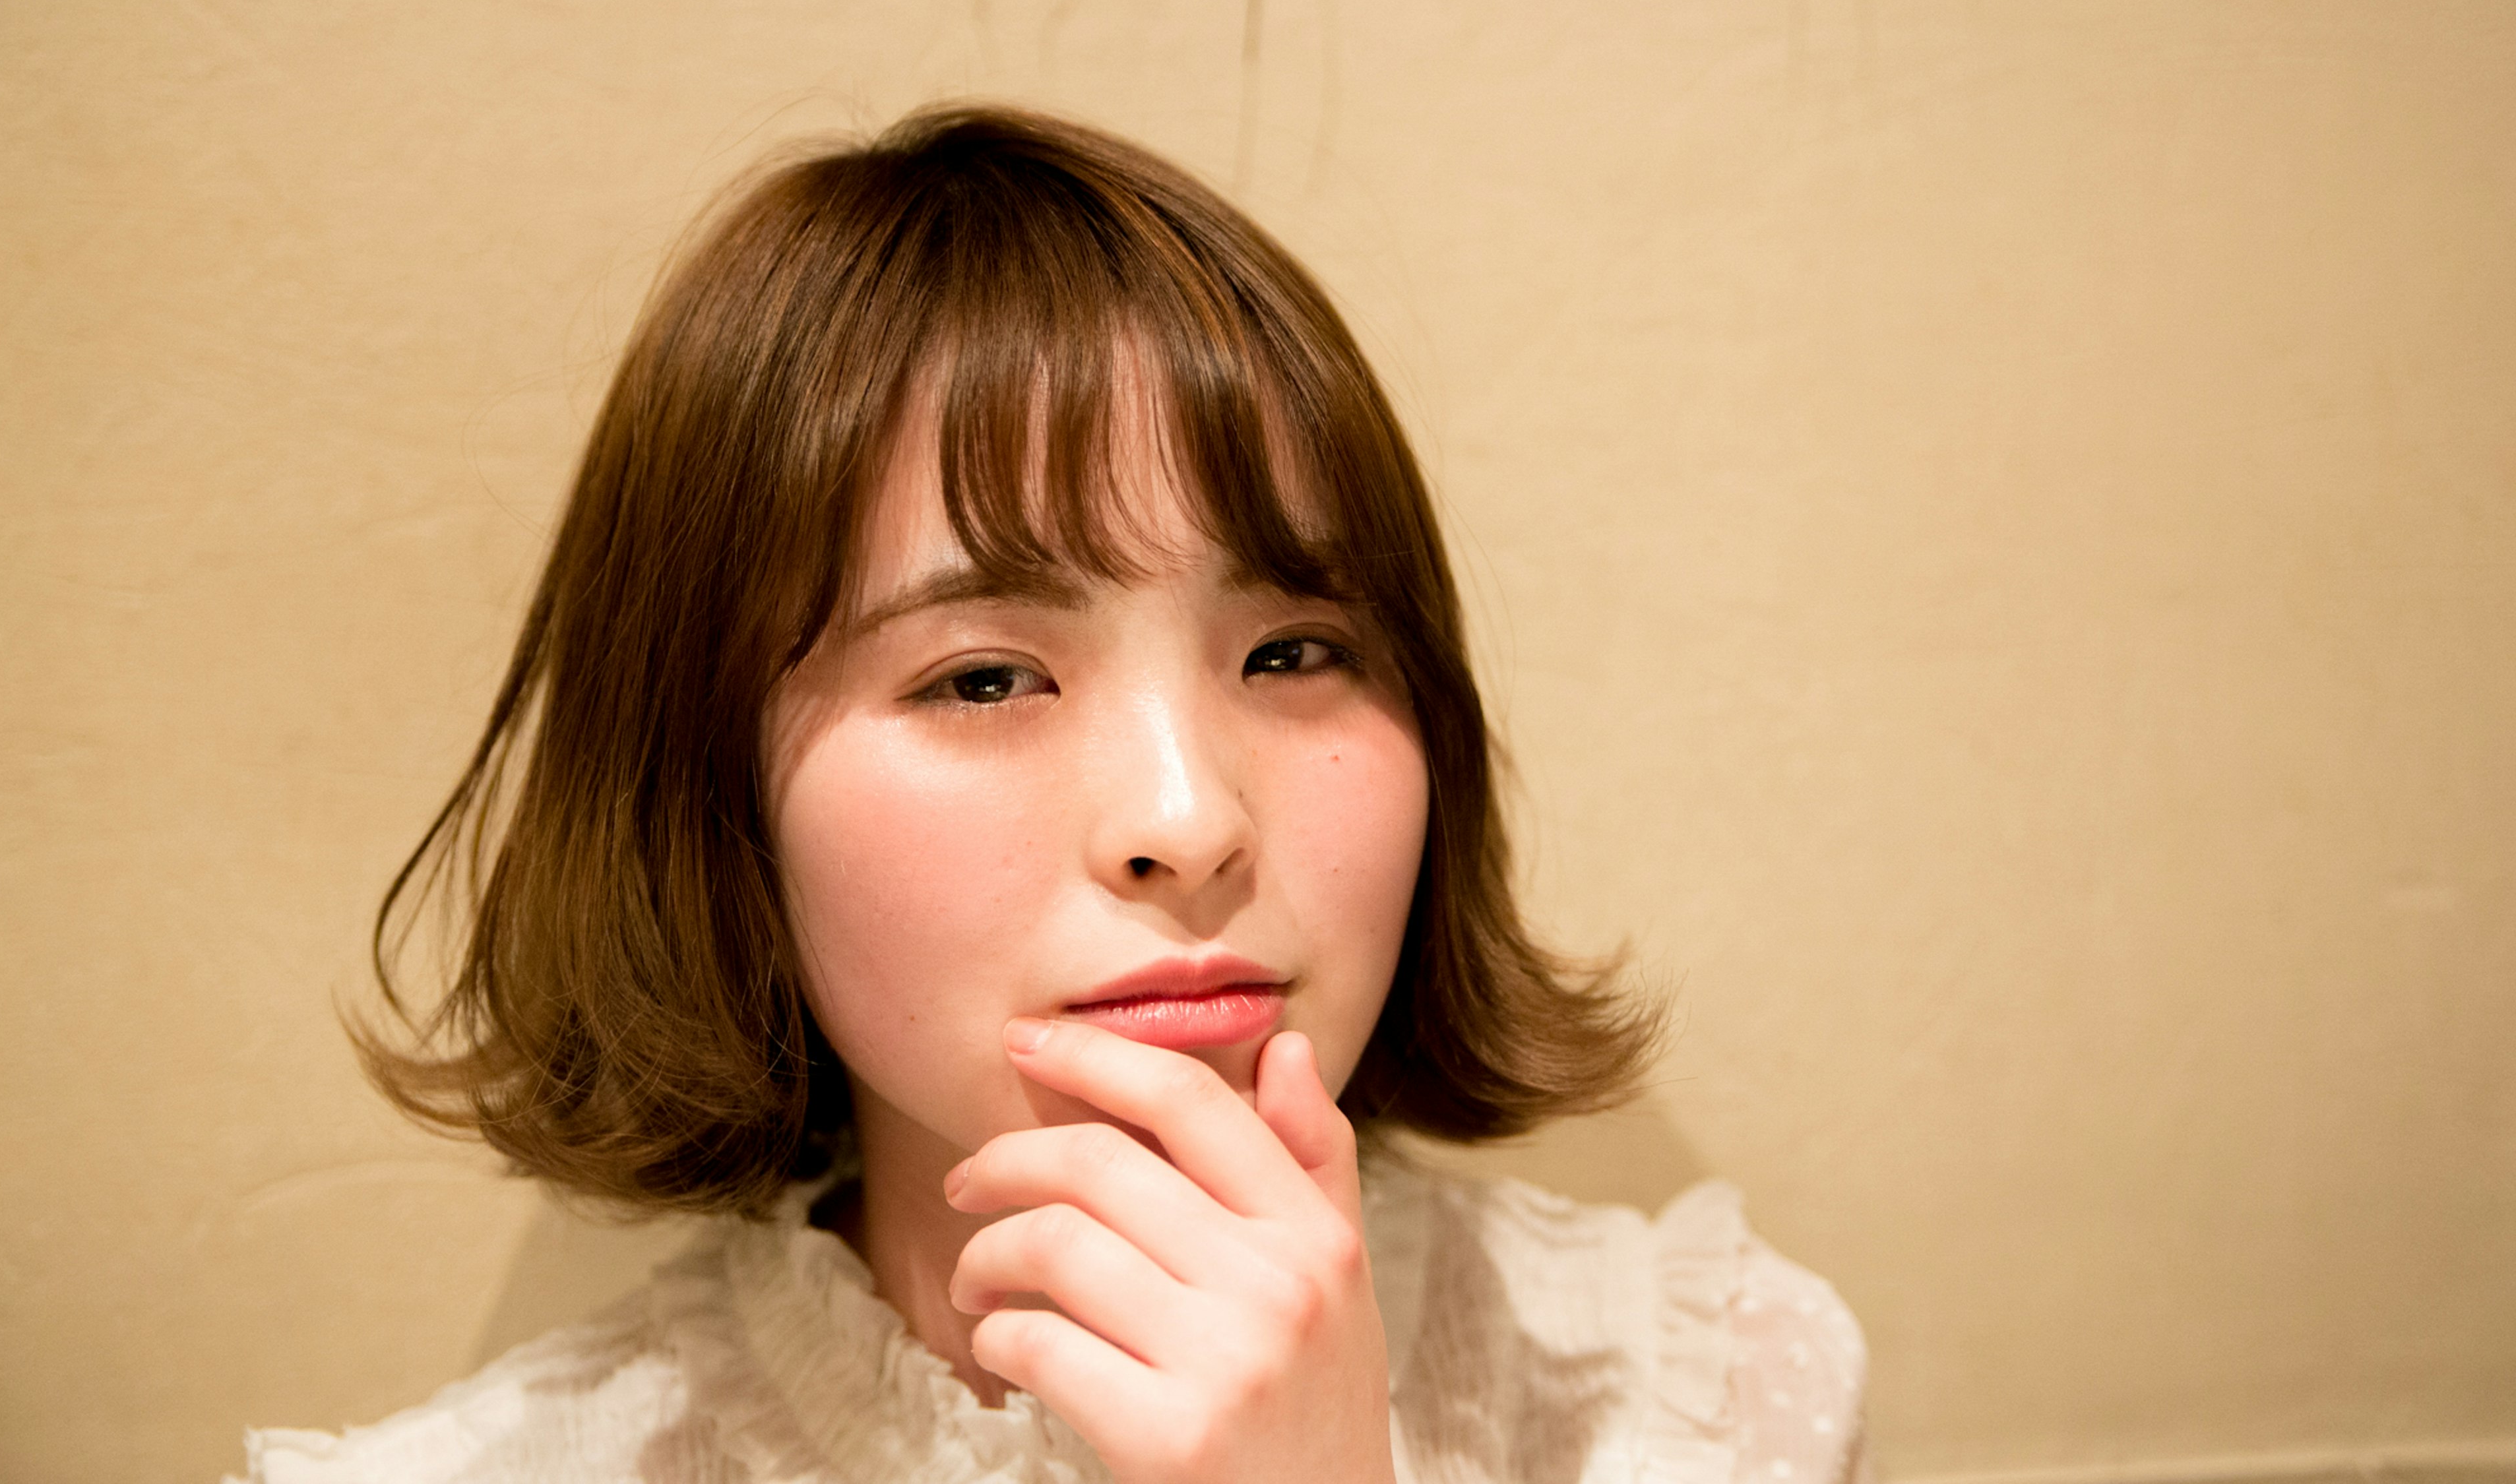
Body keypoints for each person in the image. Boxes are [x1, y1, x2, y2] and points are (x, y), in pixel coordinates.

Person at [236, 106, 1868, 1484]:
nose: (1189, 816)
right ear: (713, 788)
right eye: (984, 678)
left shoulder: (1699, 1394)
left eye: (1297, 651)